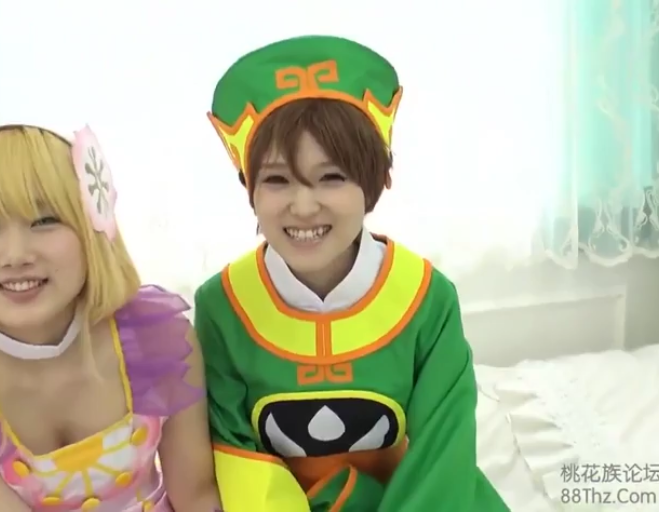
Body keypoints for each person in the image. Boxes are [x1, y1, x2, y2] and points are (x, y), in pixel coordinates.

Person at [195, 35, 510, 511]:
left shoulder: (427, 299)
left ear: (376, 179)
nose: (304, 206)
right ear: (249, 188)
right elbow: (234, 451)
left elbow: (442, 448)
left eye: (332, 178)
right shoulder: (222, 306)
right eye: (277, 180)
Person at [0, 110, 221, 511]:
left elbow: (198, 497)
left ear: (93, 227)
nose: (16, 255)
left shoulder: (160, 339)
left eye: (44, 220)